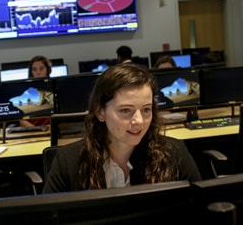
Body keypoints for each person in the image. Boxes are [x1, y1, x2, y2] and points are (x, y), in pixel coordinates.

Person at [43, 64, 201, 193]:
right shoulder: (68, 162)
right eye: (126, 110)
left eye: (146, 109)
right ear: (100, 112)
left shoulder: (174, 152)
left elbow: (201, 209)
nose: (139, 121)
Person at [19, 56, 53, 127]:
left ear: (47, 70)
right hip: (34, 130)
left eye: (41, 69)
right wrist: (36, 130)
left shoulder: (55, 89)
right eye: (34, 70)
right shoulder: (27, 93)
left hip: (52, 129)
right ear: (31, 73)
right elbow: (22, 120)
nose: (38, 72)